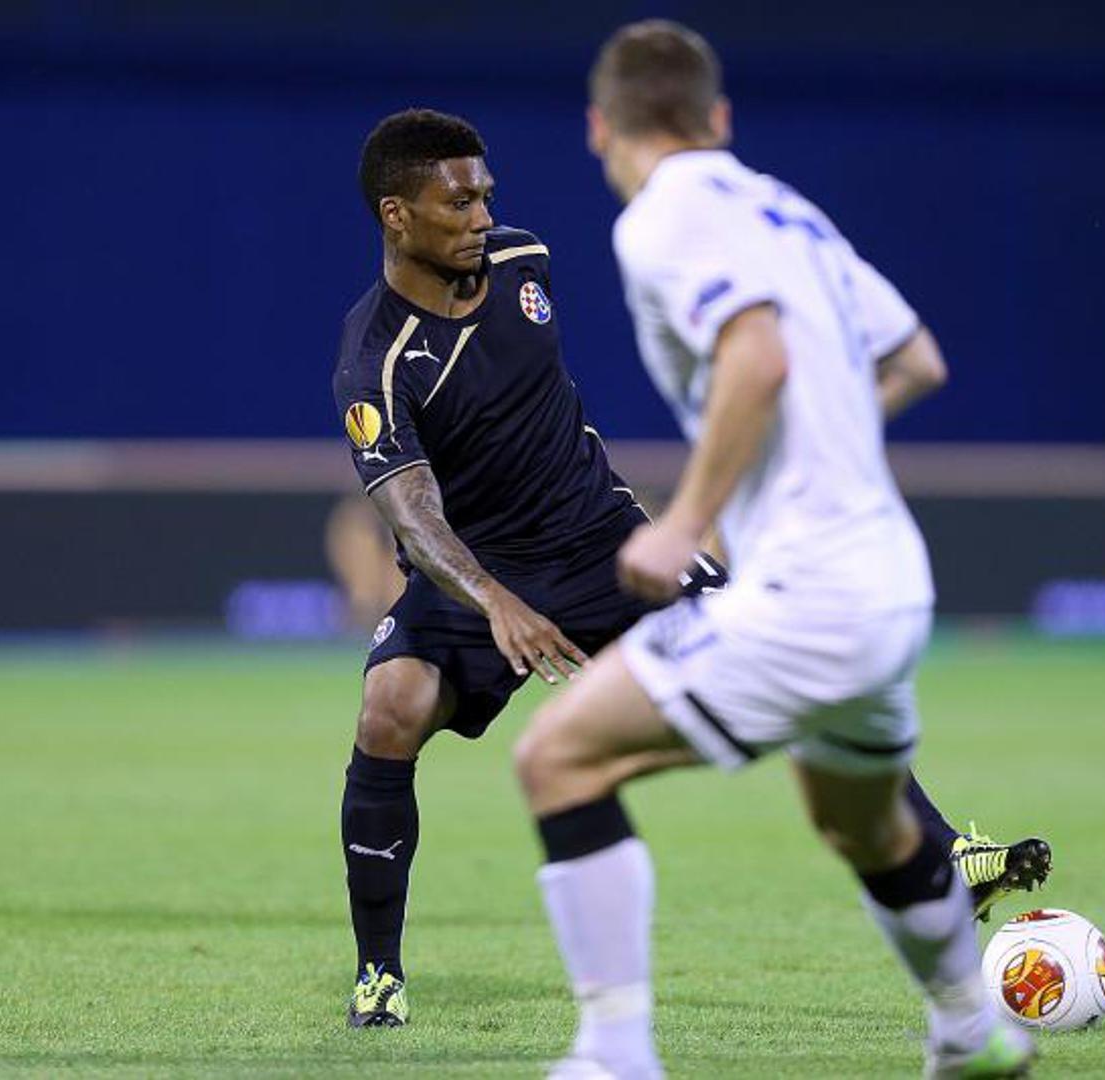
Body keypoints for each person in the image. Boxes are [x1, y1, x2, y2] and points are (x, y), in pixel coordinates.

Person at [330, 108, 1019, 1030]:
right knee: (390, 710)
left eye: (486, 196)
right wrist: (494, 600)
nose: (483, 217)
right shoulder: (375, 362)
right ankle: (378, 974)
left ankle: (945, 853)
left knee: (777, 642)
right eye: (458, 203)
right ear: (396, 214)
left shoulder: (524, 264)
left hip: (603, 543)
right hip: (482, 577)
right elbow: (413, 514)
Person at [511, 22, 1045, 1079]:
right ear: (717, 117)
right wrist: (811, 454)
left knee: (556, 758)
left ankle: (614, 1056)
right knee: (863, 825)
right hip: (888, 581)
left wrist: (685, 522)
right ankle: (969, 1033)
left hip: (809, 591)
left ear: (599, 127)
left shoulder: (663, 215)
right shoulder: (783, 212)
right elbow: (916, 360)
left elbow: (752, 356)